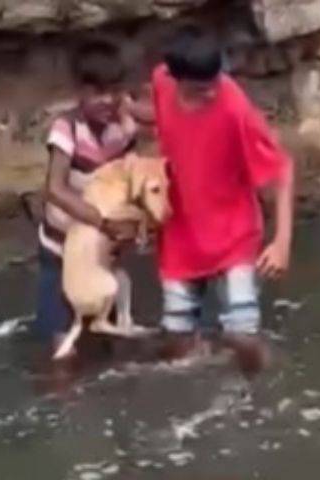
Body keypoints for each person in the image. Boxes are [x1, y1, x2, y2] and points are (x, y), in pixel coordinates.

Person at [151, 26, 295, 375]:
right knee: (176, 342)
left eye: (217, 83)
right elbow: (161, 121)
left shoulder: (234, 109)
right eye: (202, 90)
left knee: (242, 336)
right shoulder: (160, 81)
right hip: (181, 235)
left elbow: (282, 168)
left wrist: (281, 242)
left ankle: (260, 396)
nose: (213, 94)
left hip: (234, 235)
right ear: (178, 81)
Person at [34, 38, 140, 355]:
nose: (107, 100)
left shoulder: (123, 129)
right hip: (60, 248)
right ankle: (55, 392)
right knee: (60, 343)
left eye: (113, 91)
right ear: (79, 91)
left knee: (101, 334)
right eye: (97, 92)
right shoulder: (66, 128)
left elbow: (128, 179)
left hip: (98, 251)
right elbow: (55, 189)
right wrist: (102, 222)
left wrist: (129, 229)